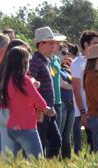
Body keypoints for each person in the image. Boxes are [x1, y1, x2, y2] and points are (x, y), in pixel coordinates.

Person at [0, 47, 55, 159]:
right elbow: (40, 102)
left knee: (14, 163)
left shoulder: (7, 80)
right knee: (37, 161)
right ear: (23, 63)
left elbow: (6, 103)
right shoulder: (25, 80)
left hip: (12, 127)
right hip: (27, 127)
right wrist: (47, 109)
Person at [29, 26, 64, 159]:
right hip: (40, 111)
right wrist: (41, 106)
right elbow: (29, 83)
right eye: (50, 43)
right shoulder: (35, 61)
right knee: (41, 144)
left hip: (48, 110)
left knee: (55, 141)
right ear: (41, 44)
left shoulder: (46, 61)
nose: (54, 46)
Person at [0, 39, 33, 156]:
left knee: (7, 154)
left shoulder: (1, 70)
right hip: (14, 115)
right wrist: (31, 84)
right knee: (25, 154)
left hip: (3, 113)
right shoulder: (17, 75)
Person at [71, 30, 98, 155]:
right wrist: (83, 112)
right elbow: (76, 90)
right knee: (92, 144)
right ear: (85, 45)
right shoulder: (77, 64)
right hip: (86, 111)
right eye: (95, 43)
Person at [59, 43, 75, 159]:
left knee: (67, 136)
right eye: (63, 53)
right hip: (62, 103)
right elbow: (62, 84)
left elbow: (74, 80)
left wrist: (73, 66)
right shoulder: (54, 67)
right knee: (59, 134)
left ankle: (67, 161)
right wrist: (75, 86)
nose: (66, 56)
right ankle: (57, 161)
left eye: (67, 53)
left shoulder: (66, 68)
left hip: (71, 104)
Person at [51, 31, 67, 131]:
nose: (59, 44)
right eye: (57, 41)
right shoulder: (45, 60)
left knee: (58, 137)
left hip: (58, 101)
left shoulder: (56, 59)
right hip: (49, 102)